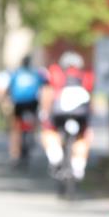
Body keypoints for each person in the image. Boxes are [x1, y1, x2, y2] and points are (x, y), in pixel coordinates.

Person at [41, 51, 94, 181]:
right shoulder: (86, 75)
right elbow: (90, 98)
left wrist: (44, 113)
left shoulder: (55, 72)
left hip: (59, 112)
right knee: (83, 136)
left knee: (49, 131)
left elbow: (48, 93)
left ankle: (55, 155)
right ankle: (79, 165)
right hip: (80, 114)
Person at [1, 54, 47, 165]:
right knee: (33, 121)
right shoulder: (36, 73)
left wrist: (6, 99)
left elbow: (8, 88)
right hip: (32, 103)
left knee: (16, 127)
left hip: (19, 103)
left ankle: (14, 153)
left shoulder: (16, 73)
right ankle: (33, 134)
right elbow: (44, 86)